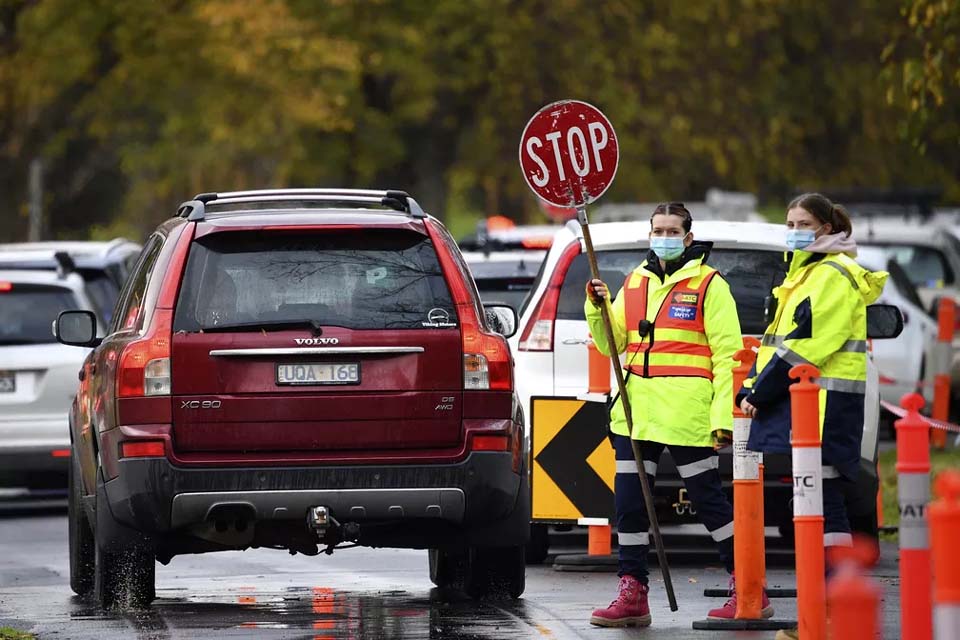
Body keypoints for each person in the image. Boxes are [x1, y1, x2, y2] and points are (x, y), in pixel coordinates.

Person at [585, 202, 771, 627]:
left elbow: (728, 355)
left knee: (709, 502)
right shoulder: (634, 281)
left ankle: (748, 586)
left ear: (688, 237)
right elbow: (610, 342)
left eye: (672, 231)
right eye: (657, 230)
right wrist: (598, 306)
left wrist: (722, 418)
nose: (663, 237)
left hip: (688, 414)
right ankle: (632, 592)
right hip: (636, 412)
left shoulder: (709, 285)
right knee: (630, 506)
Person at [735, 193, 887, 640]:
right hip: (806, 404)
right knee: (816, 506)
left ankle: (833, 610)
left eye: (803, 223)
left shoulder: (832, 276)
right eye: (789, 222)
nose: (794, 230)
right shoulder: (806, 273)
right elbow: (777, 343)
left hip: (822, 406)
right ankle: (826, 611)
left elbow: (809, 346)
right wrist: (751, 385)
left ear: (826, 228)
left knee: (826, 505)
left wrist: (759, 392)